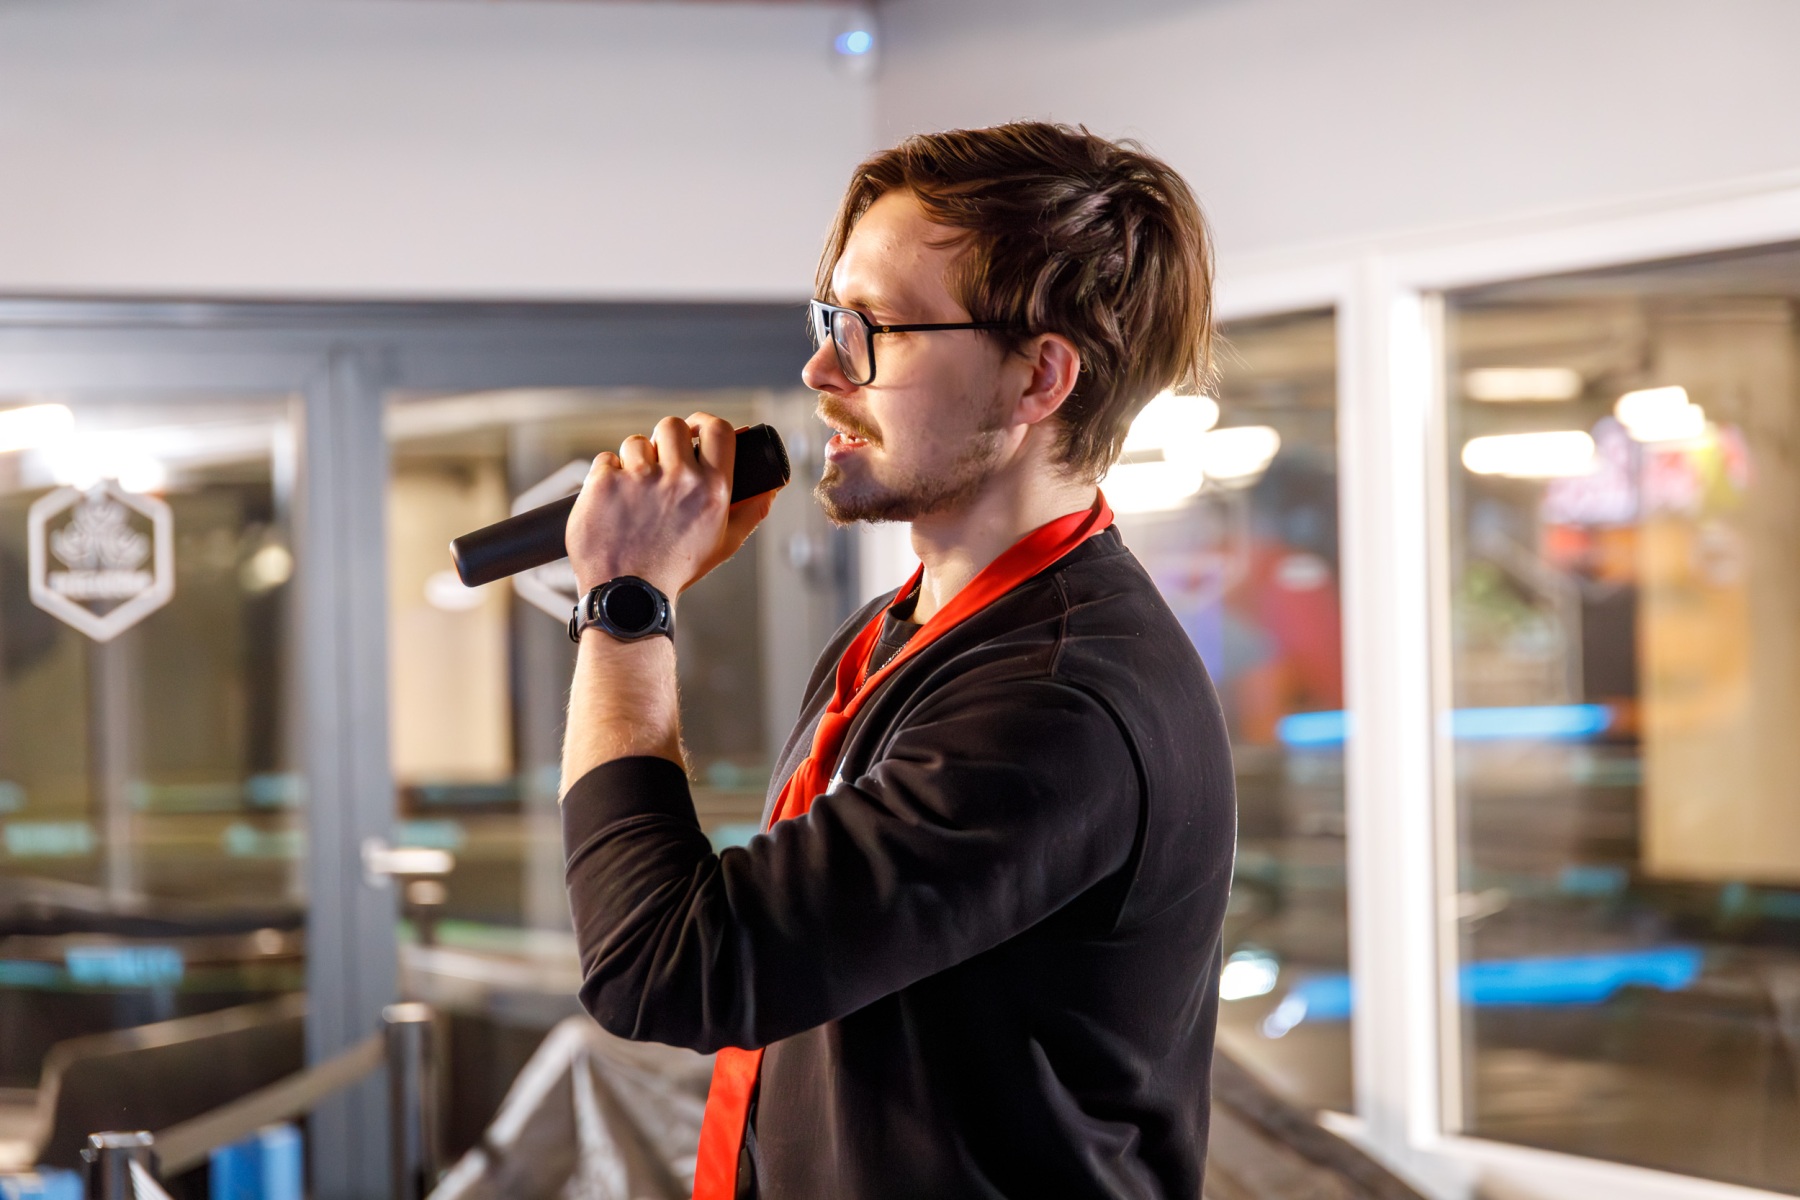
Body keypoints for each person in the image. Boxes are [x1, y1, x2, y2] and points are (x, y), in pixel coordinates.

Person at [558, 122, 1236, 1200]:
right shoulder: (900, 628)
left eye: (875, 330)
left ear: (1039, 378)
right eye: (831, 318)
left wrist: (627, 606)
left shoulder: (1057, 699)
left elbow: (667, 967)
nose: (822, 369)